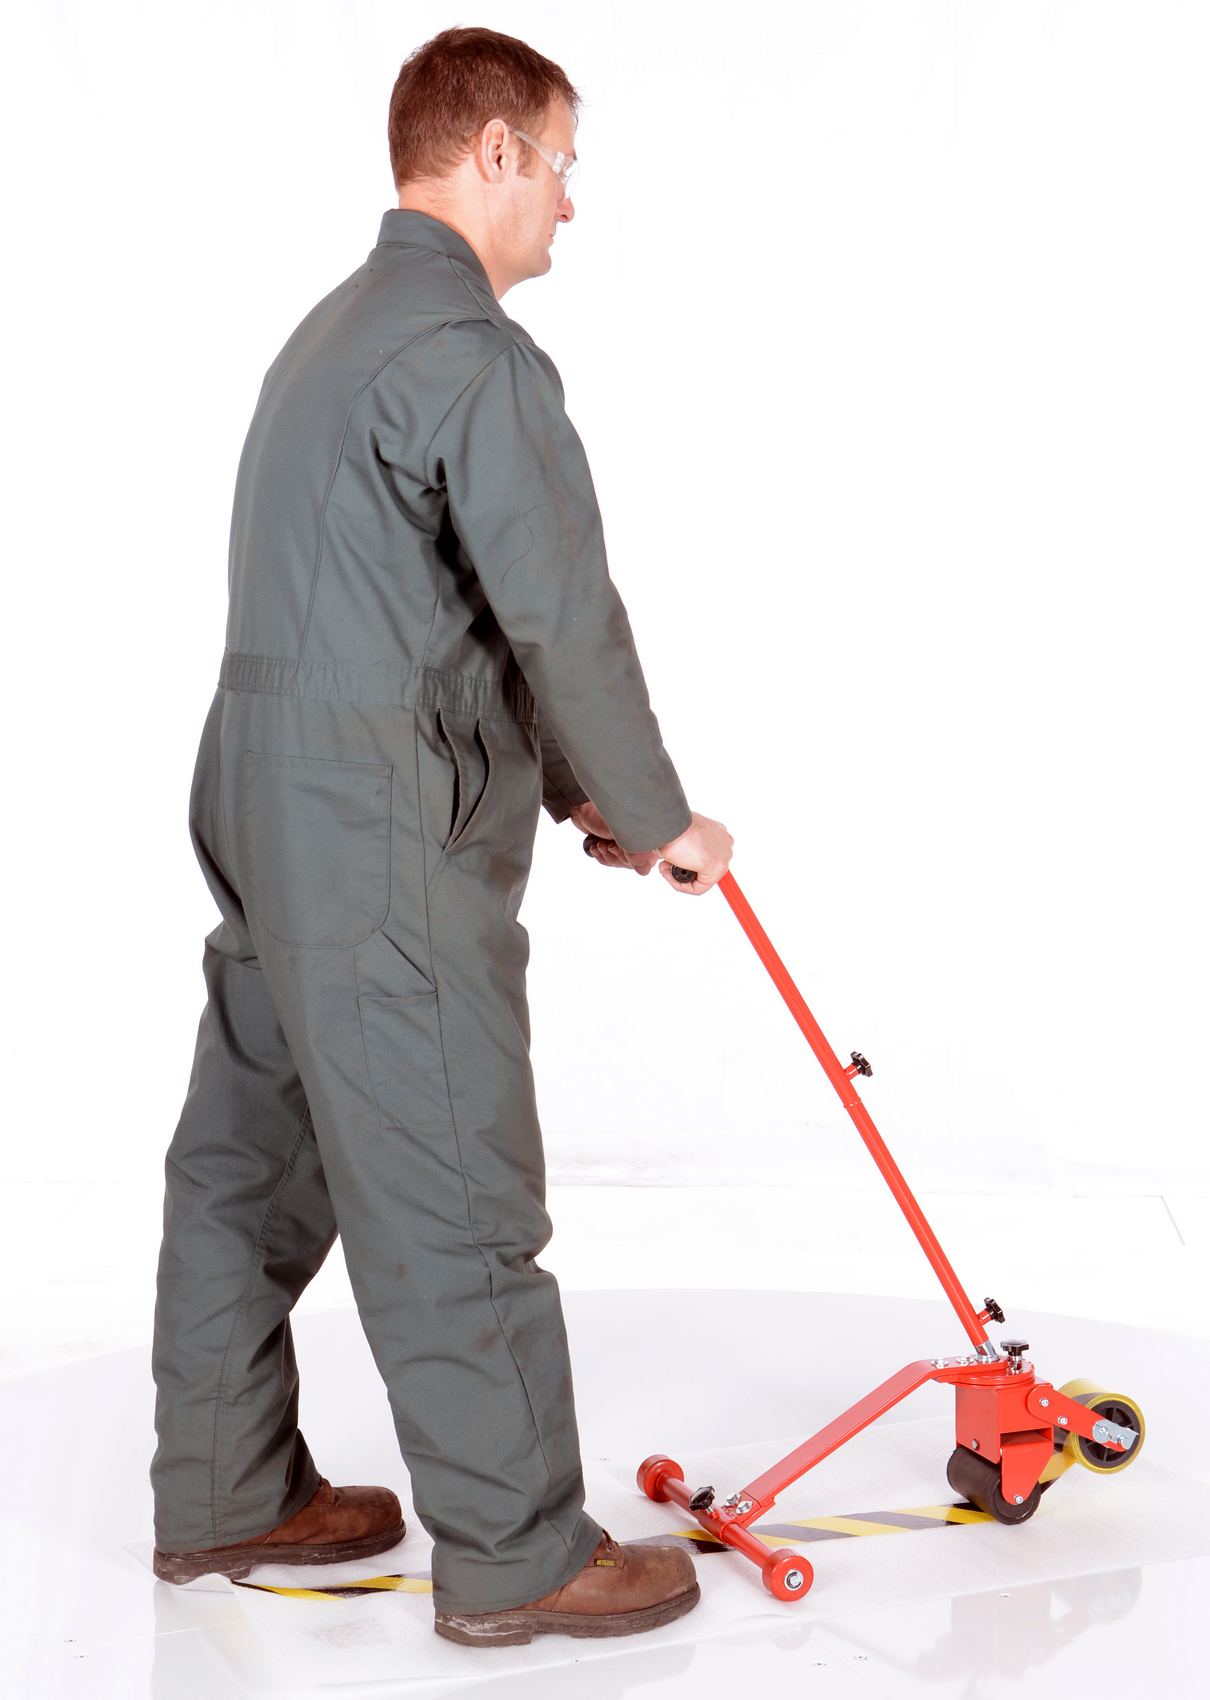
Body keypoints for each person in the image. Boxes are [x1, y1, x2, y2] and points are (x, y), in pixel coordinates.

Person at [149, 24, 733, 1649]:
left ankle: (222, 1490)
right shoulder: (472, 356)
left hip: (260, 789)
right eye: (560, 164)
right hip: (372, 816)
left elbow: (416, 606)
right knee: (451, 1169)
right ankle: (518, 1549)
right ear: (490, 152)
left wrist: (570, 787)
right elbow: (555, 615)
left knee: (250, 1153)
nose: (569, 202)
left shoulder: (330, 334)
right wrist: (657, 813)